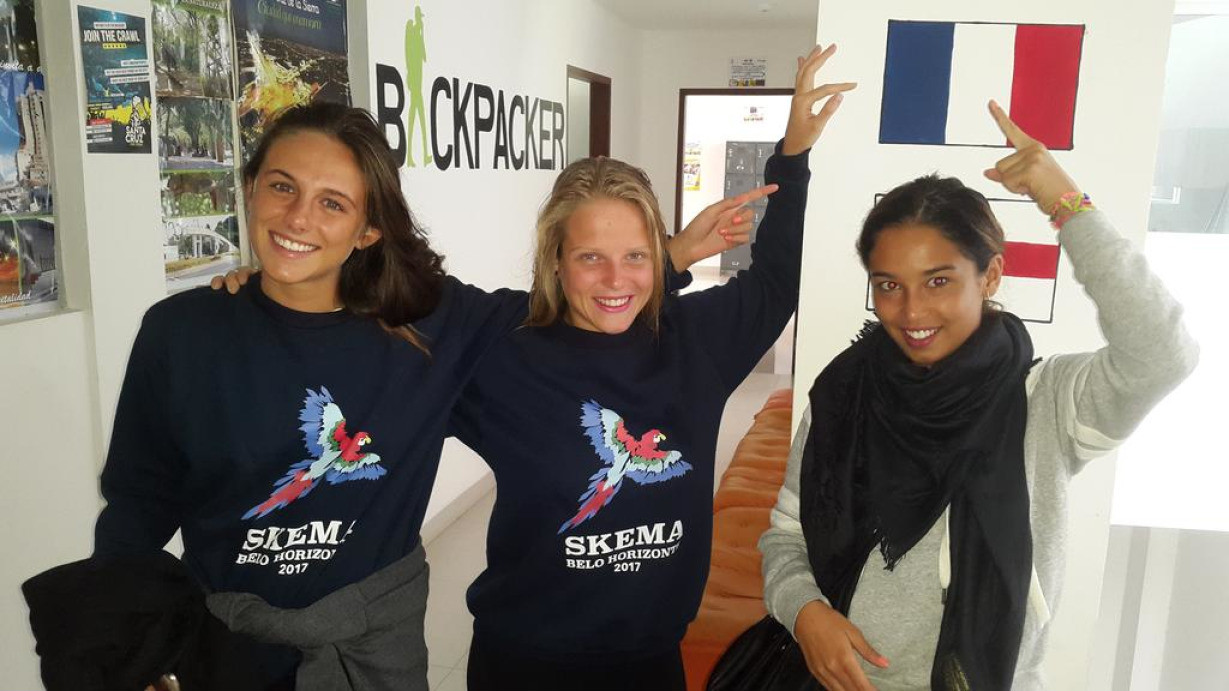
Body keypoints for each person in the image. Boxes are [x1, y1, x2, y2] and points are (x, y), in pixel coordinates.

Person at [448, 45, 854, 691]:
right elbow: (398, 301)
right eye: (590, 257)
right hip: (524, 661)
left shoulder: (694, 339)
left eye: (635, 256)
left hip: (651, 658)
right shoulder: (502, 347)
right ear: (555, 260)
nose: (616, 279)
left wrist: (793, 154)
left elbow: (777, 281)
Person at [88, 102, 532, 689]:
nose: (298, 218)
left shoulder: (429, 324)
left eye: (332, 203)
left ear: (368, 229)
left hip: (371, 658)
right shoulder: (181, 332)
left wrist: (648, 260)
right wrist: (130, 653)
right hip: (226, 649)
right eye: (282, 187)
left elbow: (571, 313)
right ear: (250, 188)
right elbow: (137, 504)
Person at [759, 102, 1199, 691]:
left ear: (990, 276)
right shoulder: (844, 393)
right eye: (889, 286)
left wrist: (1064, 202)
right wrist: (805, 613)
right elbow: (786, 536)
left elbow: (1162, 352)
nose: (911, 311)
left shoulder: (1045, 403)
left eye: (938, 281)